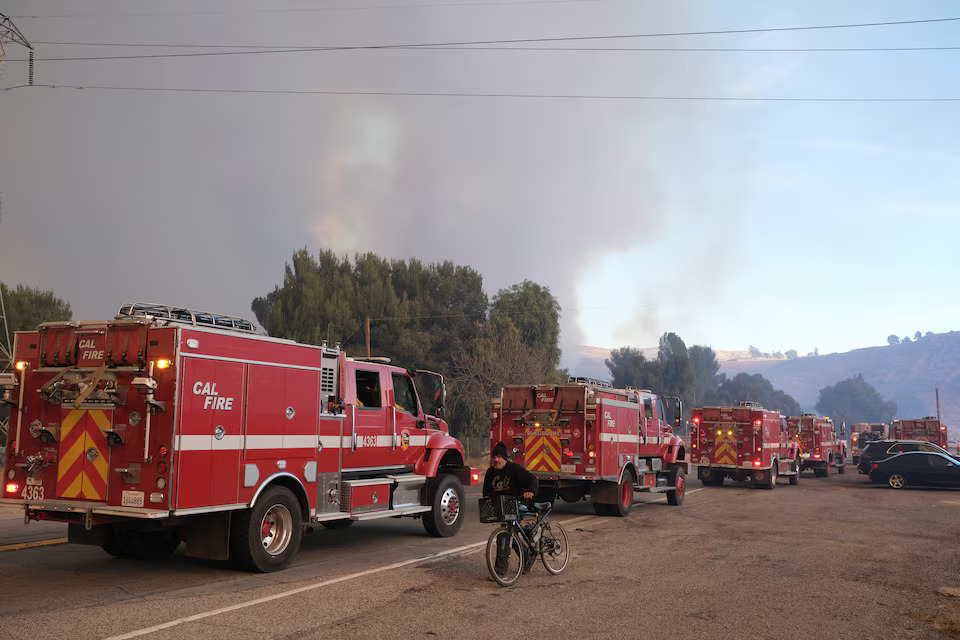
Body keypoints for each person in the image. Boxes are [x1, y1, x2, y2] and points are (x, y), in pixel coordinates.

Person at [483, 441, 538, 576]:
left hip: (516, 504)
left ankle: (500, 571)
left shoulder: (514, 469)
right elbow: (486, 491)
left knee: (506, 535)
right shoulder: (490, 472)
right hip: (501, 507)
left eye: (499, 457)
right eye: (494, 457)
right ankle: (527, 557)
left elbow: (532, 479)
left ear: (504, 458)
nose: (496, 460)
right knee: (509, 535)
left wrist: (530, 491)